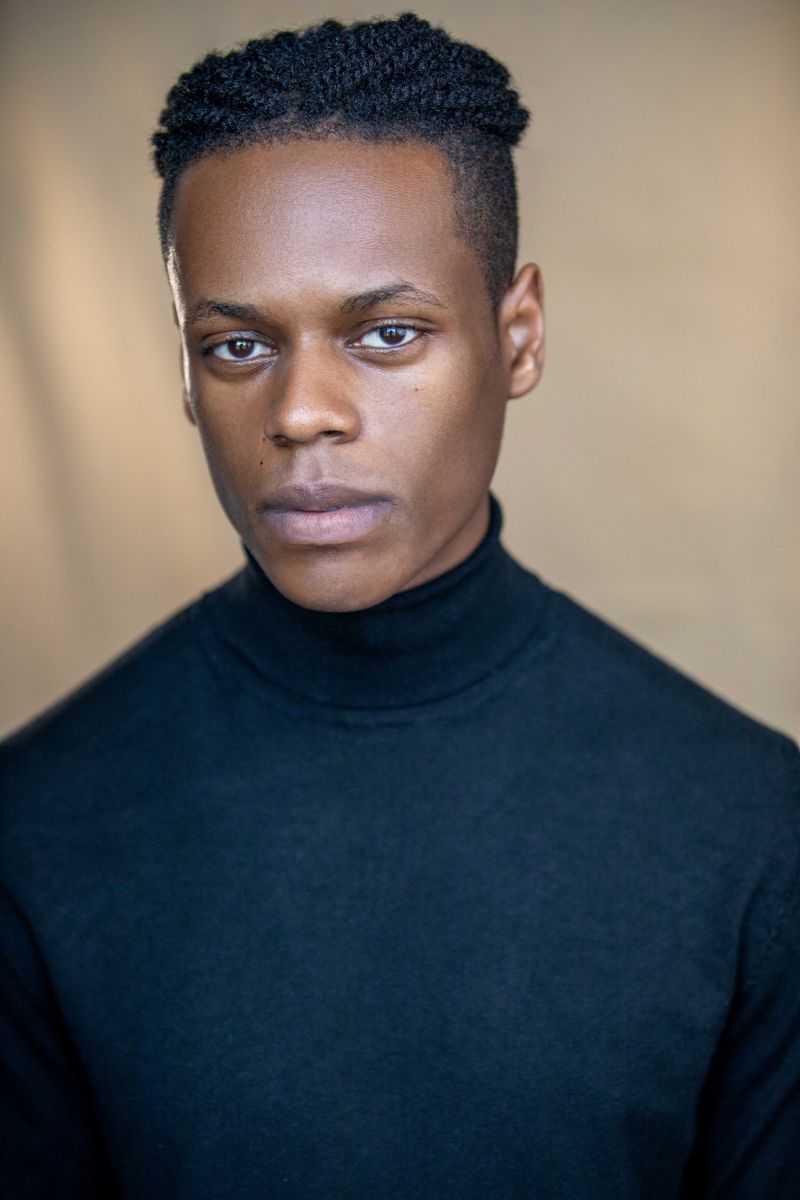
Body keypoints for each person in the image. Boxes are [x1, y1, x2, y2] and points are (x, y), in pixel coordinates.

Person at [1, 12, 798, 1198]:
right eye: (234, 346)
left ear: (514, 336)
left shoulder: (749, 826)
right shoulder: (33, 828)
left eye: (386, 333)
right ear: (182, 367)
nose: (301, 411)